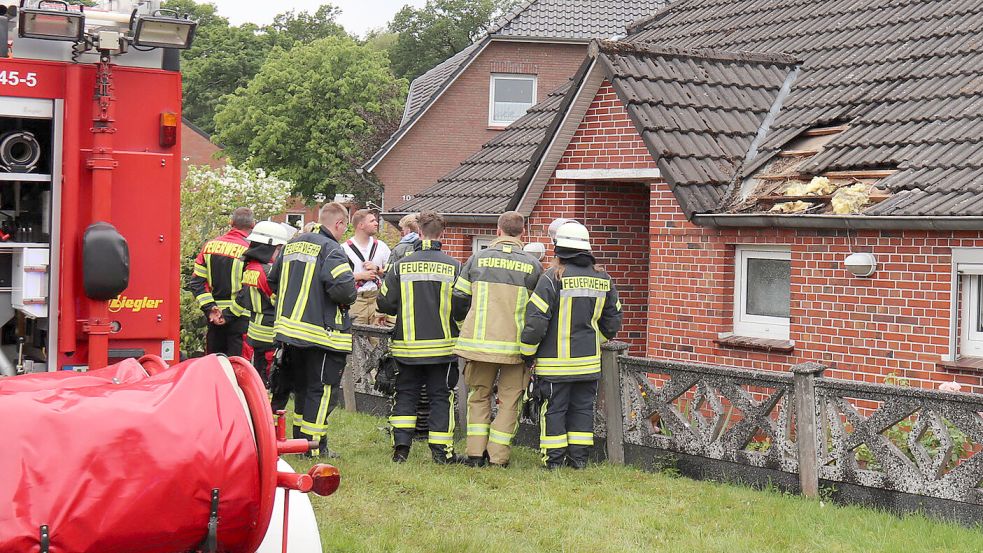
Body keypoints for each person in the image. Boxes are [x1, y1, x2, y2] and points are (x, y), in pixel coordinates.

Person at [520, 222, 623, 470]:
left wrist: (526, 353)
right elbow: (612, 322)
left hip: (555, 365)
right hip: (588, 363)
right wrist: (592, 341)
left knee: (553, 410)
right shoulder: (603, 278)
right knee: (582, 411)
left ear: (558, 249)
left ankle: (553, 461)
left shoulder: (551, 278)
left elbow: (535, 322)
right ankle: (578, 461)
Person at [452, 211, 542, 467]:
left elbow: (458, 298)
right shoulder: (533, 265)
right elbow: (538, 311)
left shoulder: (477, 259)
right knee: (509, 401)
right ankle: (498, 458)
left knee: (479, 397)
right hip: (515, 349)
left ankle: (475, 455)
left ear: (498, 230)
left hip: (479, 346)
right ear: (521, 233)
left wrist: (464, 325)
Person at [268, 202, 357, 457]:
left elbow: (273, 280)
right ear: (339, 223)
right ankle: (313, 448)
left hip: (289, 334)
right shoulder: (332, 249)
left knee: (302, 390)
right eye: (344, 227)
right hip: (321, 335)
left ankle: (298, 442)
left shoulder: (292, 244)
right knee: (320, 392)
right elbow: (345, 290)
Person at [377, 211, 463, 464]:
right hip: (442, 349)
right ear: (442, 234)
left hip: (407, 348)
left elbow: (384, 303)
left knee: (405, 395)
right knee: (440, 397)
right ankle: (441, 453)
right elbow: (462, 305)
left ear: (419, 232)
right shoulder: (455, 266)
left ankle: (401, 450)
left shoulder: (400, 265)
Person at [189, 207, 255, 356]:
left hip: (214, 318)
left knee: (214, 367)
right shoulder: (250, 251)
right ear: (253, 225)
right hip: (239, 319)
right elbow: (249, 288)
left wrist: (210, 308)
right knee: (238, 370)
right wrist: (229, 314)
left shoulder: (209, 247)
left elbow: (196, 283)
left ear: (231, 222)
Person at [233, 221, 293, 386]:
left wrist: (226, 316)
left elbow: (241, 297)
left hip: (255, 332)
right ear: (270, 247)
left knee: (259, 379)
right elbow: (278, 301)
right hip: (270, 333)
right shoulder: (267, 272)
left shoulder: (252, 267)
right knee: (271, 380)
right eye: (280, 249)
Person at [342, 209, 391, 326]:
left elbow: (392, 273)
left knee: (378, 341)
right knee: (357, 341)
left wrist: (378, 270)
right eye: (372, 221)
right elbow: (339, 277)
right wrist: (361, 276)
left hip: (377, 300)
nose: (376, 223)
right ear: (361, 225)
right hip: (356, 301)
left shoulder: (381, 247)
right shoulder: (344, 249)